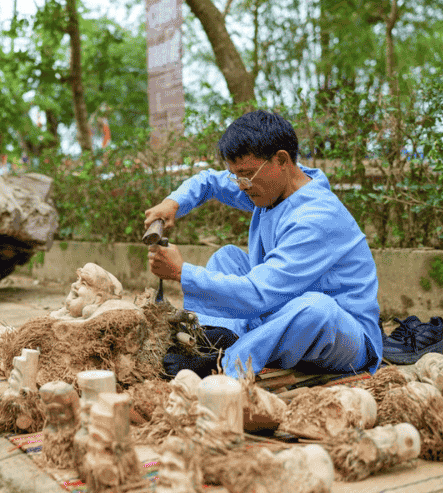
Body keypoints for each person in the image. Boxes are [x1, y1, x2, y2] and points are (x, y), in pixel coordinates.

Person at [144, 110, 383, 378]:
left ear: (281, 160)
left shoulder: (316, 218)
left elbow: (259, 294)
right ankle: (215, 338)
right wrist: (172, 204)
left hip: (343, 335)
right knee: (227, 257)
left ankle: (226, 361)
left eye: (246, 175)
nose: (241, 186)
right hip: (282, 303)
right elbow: (209, 181)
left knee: (316, 310)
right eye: (236, 176)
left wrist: (182, 273)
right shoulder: (273, 187)